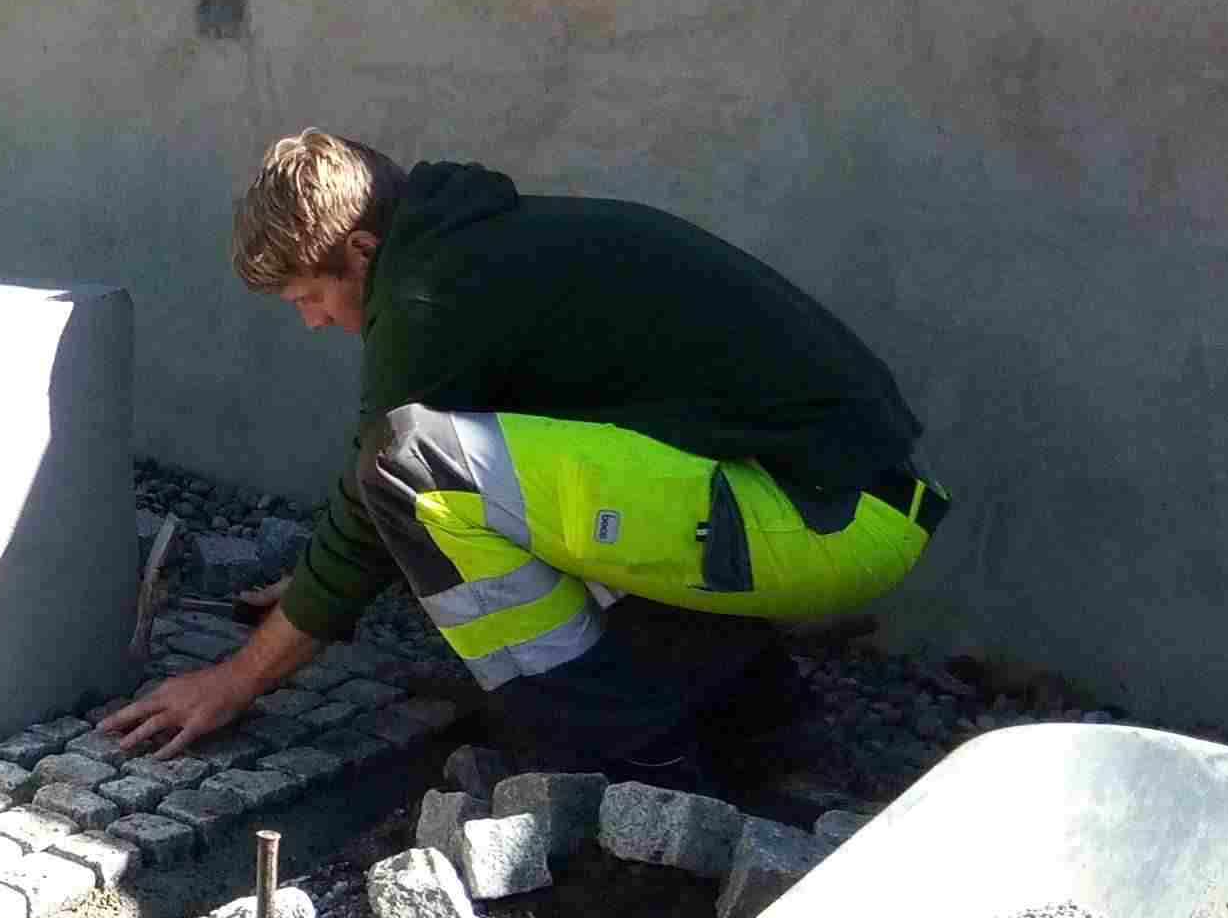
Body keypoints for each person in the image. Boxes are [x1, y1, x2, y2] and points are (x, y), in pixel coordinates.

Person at [105, 133, 943, 800]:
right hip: (840, 506)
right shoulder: (477, 252)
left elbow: (382, 488)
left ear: (361, 250)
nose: (316, 323)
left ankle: (623, 755)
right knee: (472, 476)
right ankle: (752, 715)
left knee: (412, 467)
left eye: (310, 298)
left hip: (823, 522)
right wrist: (312, 580)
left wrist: (236, 680)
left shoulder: (432, 291)